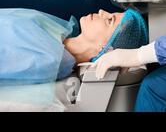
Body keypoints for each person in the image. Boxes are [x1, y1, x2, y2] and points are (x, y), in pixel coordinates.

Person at [0, 8, 148, 86]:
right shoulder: (58, 30)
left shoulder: (49, 59)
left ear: (105, 48)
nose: (102, 11)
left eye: (109, 20)